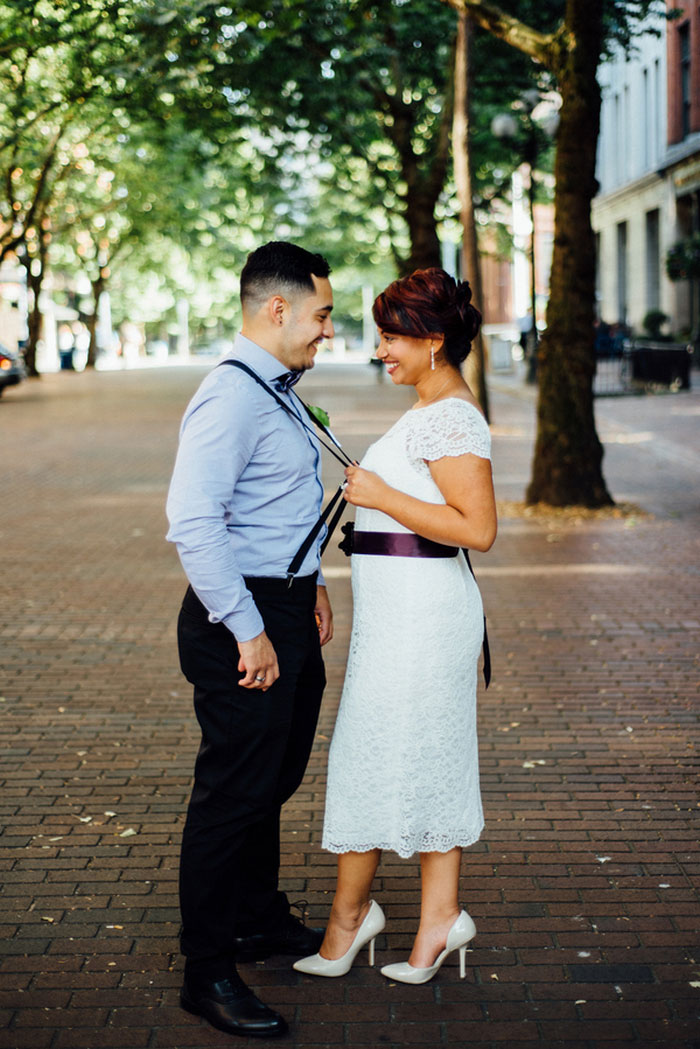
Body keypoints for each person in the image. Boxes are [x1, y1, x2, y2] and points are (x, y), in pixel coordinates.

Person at [294, 267, 497, 985]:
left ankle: (369, 921)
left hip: (426, 617)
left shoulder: (452, 416)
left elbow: (478, 528)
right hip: (395, 617)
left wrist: (378, 492)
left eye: (392, 336)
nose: (381, 349)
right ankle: (405, 918)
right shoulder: (426, 406)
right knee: (391, 754)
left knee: (390, 753)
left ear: (434, 339)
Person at [166, 241, 335, 1038]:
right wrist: (250, 628)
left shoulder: (280, 390)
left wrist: (317, 585)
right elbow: (193, 524)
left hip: (288, 605)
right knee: (232, 793)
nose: (326, 330)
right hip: (243, 618)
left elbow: (282, 504)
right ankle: (206, 969)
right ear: (279, 309)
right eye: (322, 314)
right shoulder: (230, 396)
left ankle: (259, 917)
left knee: (271, 776)